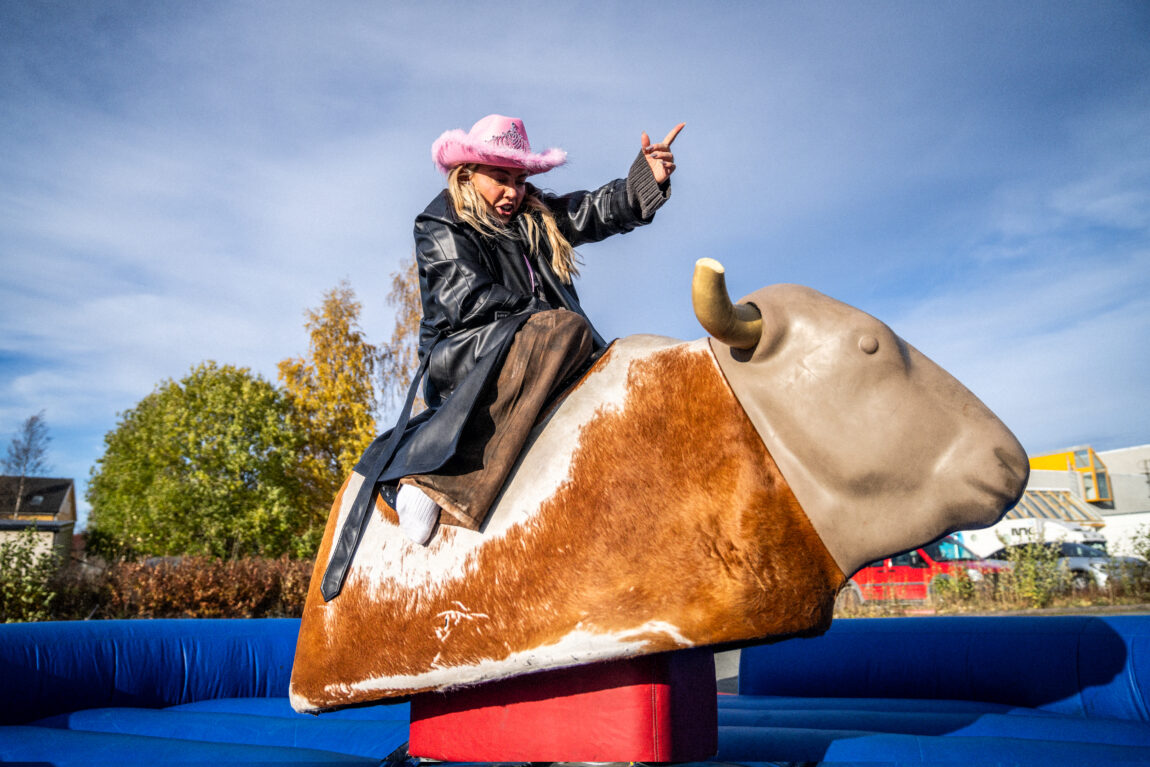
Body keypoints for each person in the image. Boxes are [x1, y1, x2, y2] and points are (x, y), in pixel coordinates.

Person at [395, 114, 683, 545]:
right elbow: (468, 301)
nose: (513, 191)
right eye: (500, 178)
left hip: (544, 345)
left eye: (520, 178)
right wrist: (545, 318)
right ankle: (434, 482)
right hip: (465, 356)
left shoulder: (535, 219)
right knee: (565, 329)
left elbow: (591, 212)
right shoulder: (440, 222)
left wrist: (645, 181)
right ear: (468, 174)